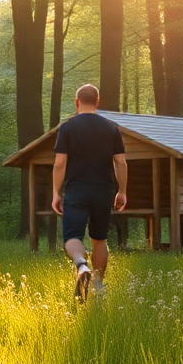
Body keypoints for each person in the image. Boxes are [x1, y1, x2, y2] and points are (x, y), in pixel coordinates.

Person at [51, 84, 128, 302]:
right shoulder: (112, 128)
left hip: (77, 190)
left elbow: (59, 164)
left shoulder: (67, 128)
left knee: (72, 237)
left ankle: (82, 265)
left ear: (77, 102)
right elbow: (120, 162)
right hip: (104, 190)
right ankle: (98, 286)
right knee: (99, 239)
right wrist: (122, 191)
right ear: (97, 101)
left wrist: (56, 193)